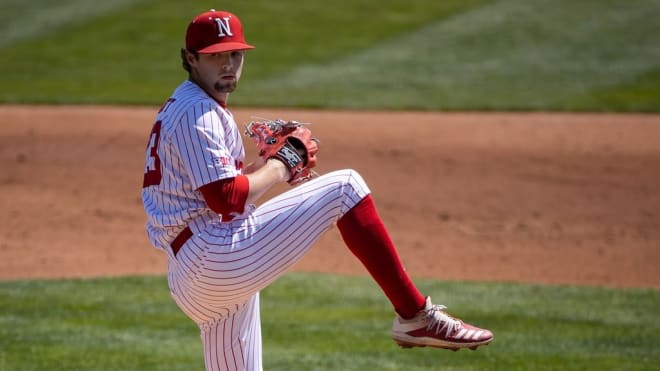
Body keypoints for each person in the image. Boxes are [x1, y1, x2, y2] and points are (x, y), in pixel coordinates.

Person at [141, 9, 493, 371]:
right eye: (216, 56)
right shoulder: (198, 111)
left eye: (235, 54)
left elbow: (222, 196)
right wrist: (280, 165)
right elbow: (226, 198)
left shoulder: (186, 106)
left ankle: (416, 318)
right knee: (345, 187)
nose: (228, 64)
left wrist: (266, 165)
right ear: (190, 59)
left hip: (199, 270)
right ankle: (415, 316)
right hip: (213, 258)